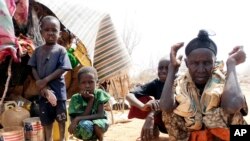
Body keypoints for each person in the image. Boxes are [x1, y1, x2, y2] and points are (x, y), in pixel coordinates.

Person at [160, 30, 248, 141]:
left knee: (226, 112)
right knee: (169, 113)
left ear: (215, 61)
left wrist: (231, 63)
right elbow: (165, 107)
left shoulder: (225, 78)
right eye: (195, 63)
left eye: (207, 63)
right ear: (187, 63)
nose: (201, 70)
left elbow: (232, 106)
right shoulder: (180, 84)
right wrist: (172, 69)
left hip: (224, 136)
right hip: (193, 136)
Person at [28, 15, 72, 141]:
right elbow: (33, 67)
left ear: (60, 33)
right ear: (41, 32)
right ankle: (49, 139)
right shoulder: (37, 51)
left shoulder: (61, 50)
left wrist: (45, 80)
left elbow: (64, 68)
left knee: (61, 119)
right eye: (47, 30)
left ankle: (63, 139)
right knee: (47, 121)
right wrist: (39, 83)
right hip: (43, 93)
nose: (50, 33)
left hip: (58, 92)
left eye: (54, 30)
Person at [126, 58, 169, 141]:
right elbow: (129, 95)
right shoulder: (155, 83)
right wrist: (143, 106)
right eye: (161, 68)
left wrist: (150, 115)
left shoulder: (180, 82)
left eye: (167, 68)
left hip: (177, 122)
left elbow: (169, 101)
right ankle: (154, 128)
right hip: (160, 119)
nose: (163, 71)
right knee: (144, 99)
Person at [68, 66, 110, 141]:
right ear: (79, 84)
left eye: (90, 82)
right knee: (85, 125)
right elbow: (78, 119)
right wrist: (91, 100)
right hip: (82, 127)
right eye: (83, 83)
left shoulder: (99, 93)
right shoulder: (76, 98)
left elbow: (100, 115)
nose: (87, 85)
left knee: (97, 125)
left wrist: (78, 118)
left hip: (99, 123)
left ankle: (100, 138)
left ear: (96, 82)